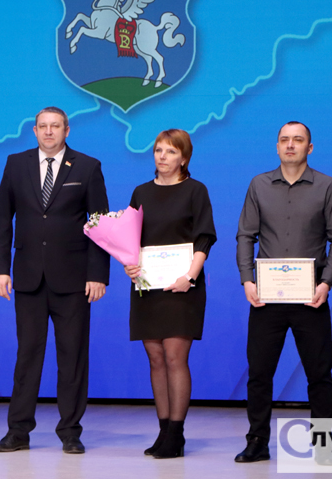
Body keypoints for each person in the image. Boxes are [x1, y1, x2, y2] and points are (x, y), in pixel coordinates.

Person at [0, 106, 110, 454]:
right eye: (42, 126)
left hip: (74, 280)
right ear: (34, 130)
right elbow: (2, 219)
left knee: (72, 357)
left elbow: (100, 223)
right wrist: (0, 269)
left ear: (67, 130)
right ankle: (18, 431)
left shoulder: (87, 166)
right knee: (27, 355)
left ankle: (70, 431)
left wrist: (97, 274)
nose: (48, 131)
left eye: (55, 126)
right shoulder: (16, 164)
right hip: (28, 277)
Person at [234, 121, 332, 464]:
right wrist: (247, 279)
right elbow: (246, 235)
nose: (290, 145)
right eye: (284, 139)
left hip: (311, 297)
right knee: (259, 374)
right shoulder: (258, 184)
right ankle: (257, 442)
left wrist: (326, 283)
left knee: (319, 374)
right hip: (266, 297)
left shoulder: (327, 186)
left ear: (309, 148)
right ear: (277, 146)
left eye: (298, 140)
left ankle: (323, 445)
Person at [123, 129, 216, 459]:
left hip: (182, 286)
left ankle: (176, 434)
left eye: (171, 151)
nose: (163, 156)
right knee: (156, 359)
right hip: (147, 287)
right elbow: (129, 239)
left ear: (184, 158)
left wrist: (189, 277)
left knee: (175, 357)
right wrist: (129, 263)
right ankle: (163, 431)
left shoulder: (195, 190)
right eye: (159, 150)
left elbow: (204, 237)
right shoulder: (141, 192)